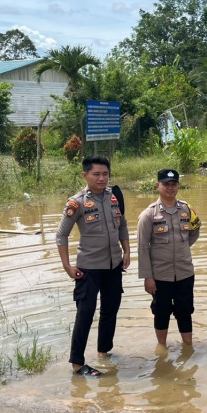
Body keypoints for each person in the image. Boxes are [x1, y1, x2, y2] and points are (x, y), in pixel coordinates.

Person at [56, 155, 131, 377]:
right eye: (96, 174)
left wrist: (126, 251)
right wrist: (67, 266)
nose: (101, 178)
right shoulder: (76, 202)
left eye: (105, 174)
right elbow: (61, 235)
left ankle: (104, 352)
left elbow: (123, 225)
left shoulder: (115, 196)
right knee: (85, 313)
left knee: (110, 310)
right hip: (88, 268)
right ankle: (77, 364)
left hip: (114, 266)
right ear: (85, 175)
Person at [138, 168, 202, 347]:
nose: (170, 188)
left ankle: (188, 347)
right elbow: (142, 248)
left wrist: (180, 249)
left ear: (178, 186)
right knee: (161, 312)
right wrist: (147, 277)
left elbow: (195, 231)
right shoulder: (148, 215)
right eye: (166, 184)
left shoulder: (187, 210)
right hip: (160, 275)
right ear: (158, 185)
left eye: (174, 184)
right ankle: (162, 347)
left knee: (185, 311)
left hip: (185, 272)